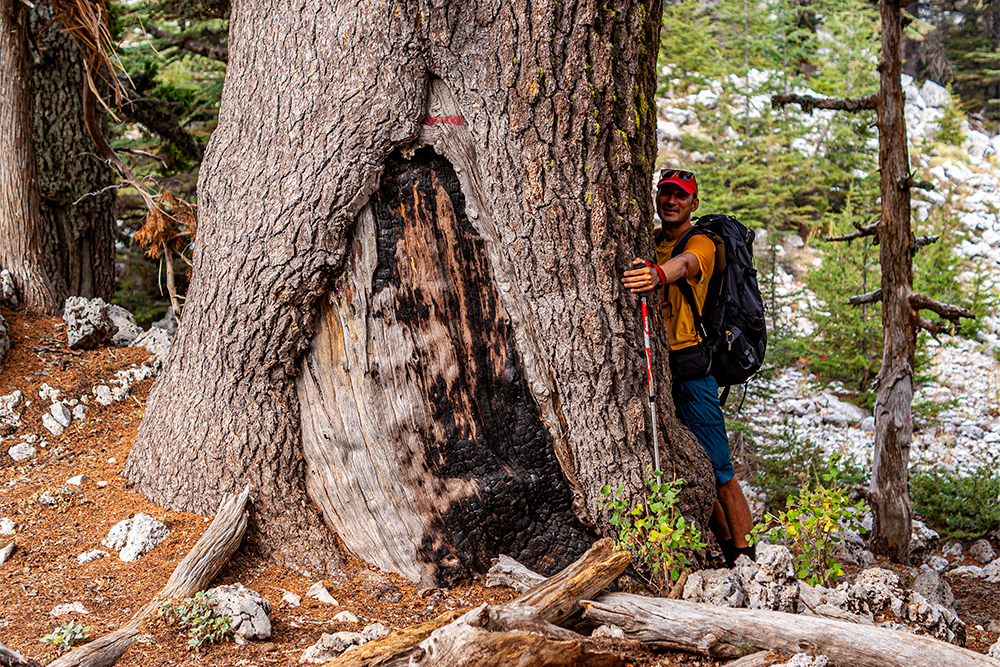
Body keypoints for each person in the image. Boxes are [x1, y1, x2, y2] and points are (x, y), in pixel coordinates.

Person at [621, 168, 756, 567]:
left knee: (720, 468)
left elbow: (688, 264)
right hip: (657, 368)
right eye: (666, 193)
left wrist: (658, 275)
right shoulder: (648, 238)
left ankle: (750, 562)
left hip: (693, 369)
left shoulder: (702, 241)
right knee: (691, 467)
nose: (671, 201)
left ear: (694, 203)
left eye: (681, 196)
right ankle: (730, 551)